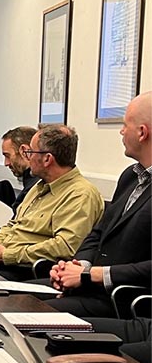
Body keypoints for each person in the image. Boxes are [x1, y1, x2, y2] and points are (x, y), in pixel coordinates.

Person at [46, 92, 151, 317]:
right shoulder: (129, 177)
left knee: (24, 310)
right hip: (89, 287)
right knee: (12, 299)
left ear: (142, 132)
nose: (121, 131)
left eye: (125, 125)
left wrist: (92, 274)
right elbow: (98, 232)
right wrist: (78, 267)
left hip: (123, 300)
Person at [0, 124, 104, 274]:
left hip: (27, 271)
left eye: (30, 152)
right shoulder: (39, 186)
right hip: (4, 261)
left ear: (47, 159)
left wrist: (7, 255)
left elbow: (65, 247)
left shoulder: (80, 195)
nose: (28, 157)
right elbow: (13, 224)